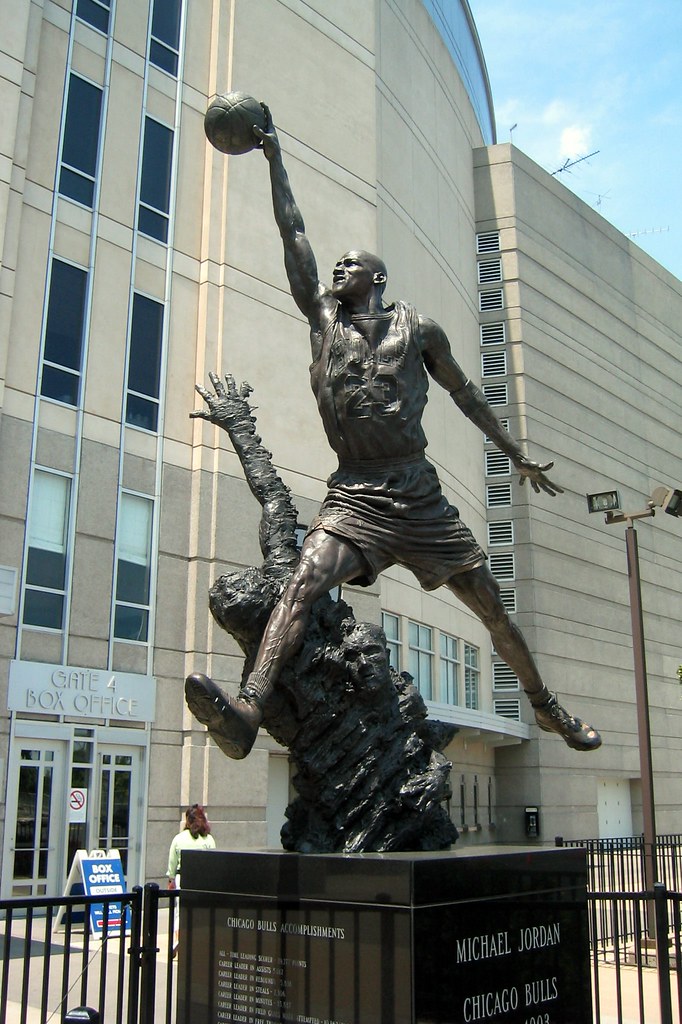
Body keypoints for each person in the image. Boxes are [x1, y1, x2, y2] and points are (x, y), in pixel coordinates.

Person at [186, 105, 601, 760]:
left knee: (490, 606)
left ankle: (546, 707)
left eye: (350, 265)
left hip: (418, 491)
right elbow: (294, 234)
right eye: (337, 266)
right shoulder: (323, 319)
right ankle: (248, 706)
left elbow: (466, 395)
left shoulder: (420, 328)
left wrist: (516, 453)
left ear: (376, 279)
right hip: (357, 493)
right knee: (300, 583)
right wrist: (274, 160)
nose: (337, 271)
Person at [167, 804, 215, 953]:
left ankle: (178, 939)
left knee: (179, 911)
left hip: (184, 877)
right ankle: (200, 940)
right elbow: (214, 860)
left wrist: (171, 879)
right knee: (201, 910)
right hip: (203, 879)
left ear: (188, 820)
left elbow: (172, 862)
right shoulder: (208, 839)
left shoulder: (179, 838)